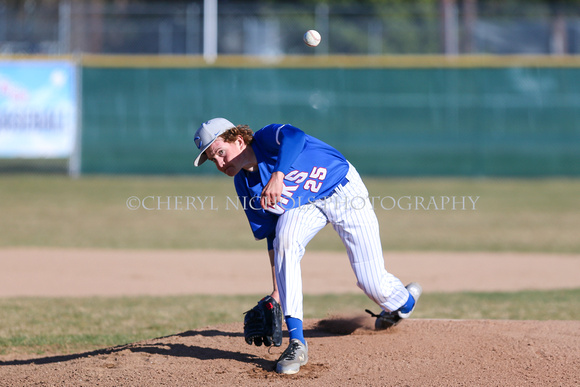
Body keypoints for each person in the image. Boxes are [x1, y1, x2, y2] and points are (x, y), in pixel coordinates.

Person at [193, 118, 422, 375]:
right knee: (285, 239)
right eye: (214, 160)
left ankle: (403, 302)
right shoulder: (245, 185)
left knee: (373, 284)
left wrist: (278, 174)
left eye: (220, 153)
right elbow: (272, 235)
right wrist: (276, 293)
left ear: (238, 139)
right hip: (304, 206)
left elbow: (296, 137)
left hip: (343, 191)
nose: (221, 164)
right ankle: (297, 343)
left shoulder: (267, 138)